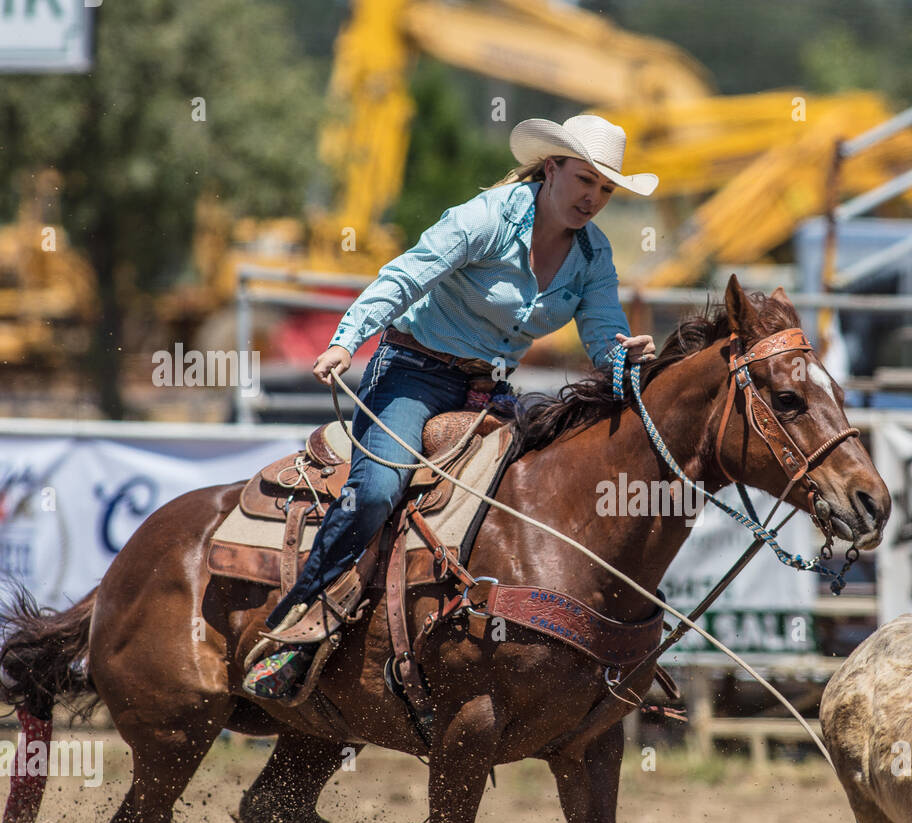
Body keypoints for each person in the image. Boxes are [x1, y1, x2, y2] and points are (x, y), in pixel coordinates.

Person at [243, 114, 659, 700]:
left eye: (606, 189)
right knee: (378, 492)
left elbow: (604, 335)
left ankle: (468, 655)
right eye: (585, 179)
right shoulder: (486, 218)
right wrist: (344, 340)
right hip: (412, 374)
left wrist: (625, 359)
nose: (594, 197)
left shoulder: (594, 257)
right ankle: (291, 631)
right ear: (552, 168)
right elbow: (405, 277)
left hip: (493, 389)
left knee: (536, 497)